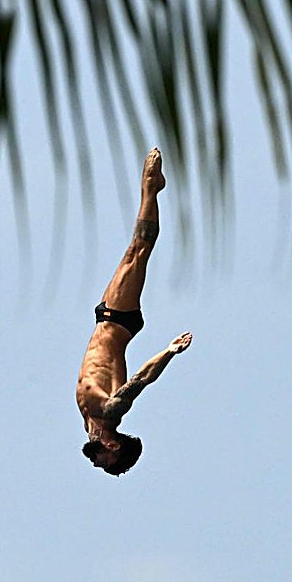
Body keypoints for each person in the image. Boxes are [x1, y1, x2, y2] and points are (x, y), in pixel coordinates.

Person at [76, 148, 192, 476]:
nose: (96, 461)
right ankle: (151, 188)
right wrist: (169, 351)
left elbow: (91, 440)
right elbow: (141, 379)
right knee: (138, 251)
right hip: (118, 320)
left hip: (107, 320)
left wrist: (95, 436)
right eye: (104, 462)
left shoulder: (92, 422)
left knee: (134, 252)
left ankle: (151, 189)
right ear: (114, 446)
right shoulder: (112, 411)